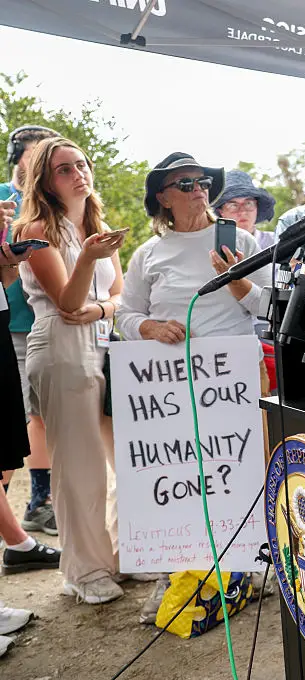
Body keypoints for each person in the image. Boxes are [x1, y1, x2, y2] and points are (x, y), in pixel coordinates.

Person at [119, 152, 272, 621]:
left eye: (202, 181)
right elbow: (124, 315)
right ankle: (182, 573)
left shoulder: (239, 239)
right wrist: (149, 328)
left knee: (236, 469)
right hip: (169, 389)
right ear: (163, 197)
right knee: (183, 475)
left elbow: (271, 308)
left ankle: (246, 565)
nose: (197, 189)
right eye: (184, 184)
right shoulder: (149, 254)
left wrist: (239, 285)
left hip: (232, 382)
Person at [14, 137, 127, 604]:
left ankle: (123, 553)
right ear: (45, 179)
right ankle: (84, 570)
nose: (78, 173)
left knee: (124, 457)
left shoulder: (97, 227)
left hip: (102, 343)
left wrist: (104, 310)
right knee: (79, 465)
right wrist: (87, 261)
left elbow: (120, 295)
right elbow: (66, 302)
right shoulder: (35, 229)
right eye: (64, 169)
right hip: (59, 345)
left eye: (82, 164)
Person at [1, 124, 59, 536]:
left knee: (40, 416)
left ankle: (41, 500)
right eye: (37, 151)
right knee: (13, 422)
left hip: (49, 324)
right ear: (19, 156)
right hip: (12, 325)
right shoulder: (5, 199)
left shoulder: (50, 201)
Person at [212, 169, 277, 250]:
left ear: (257, 206)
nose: (242, 212)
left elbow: (296, 263)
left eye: (248, 203)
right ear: (221, 211)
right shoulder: (212, 248)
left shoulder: (276, 242)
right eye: (233, 205)